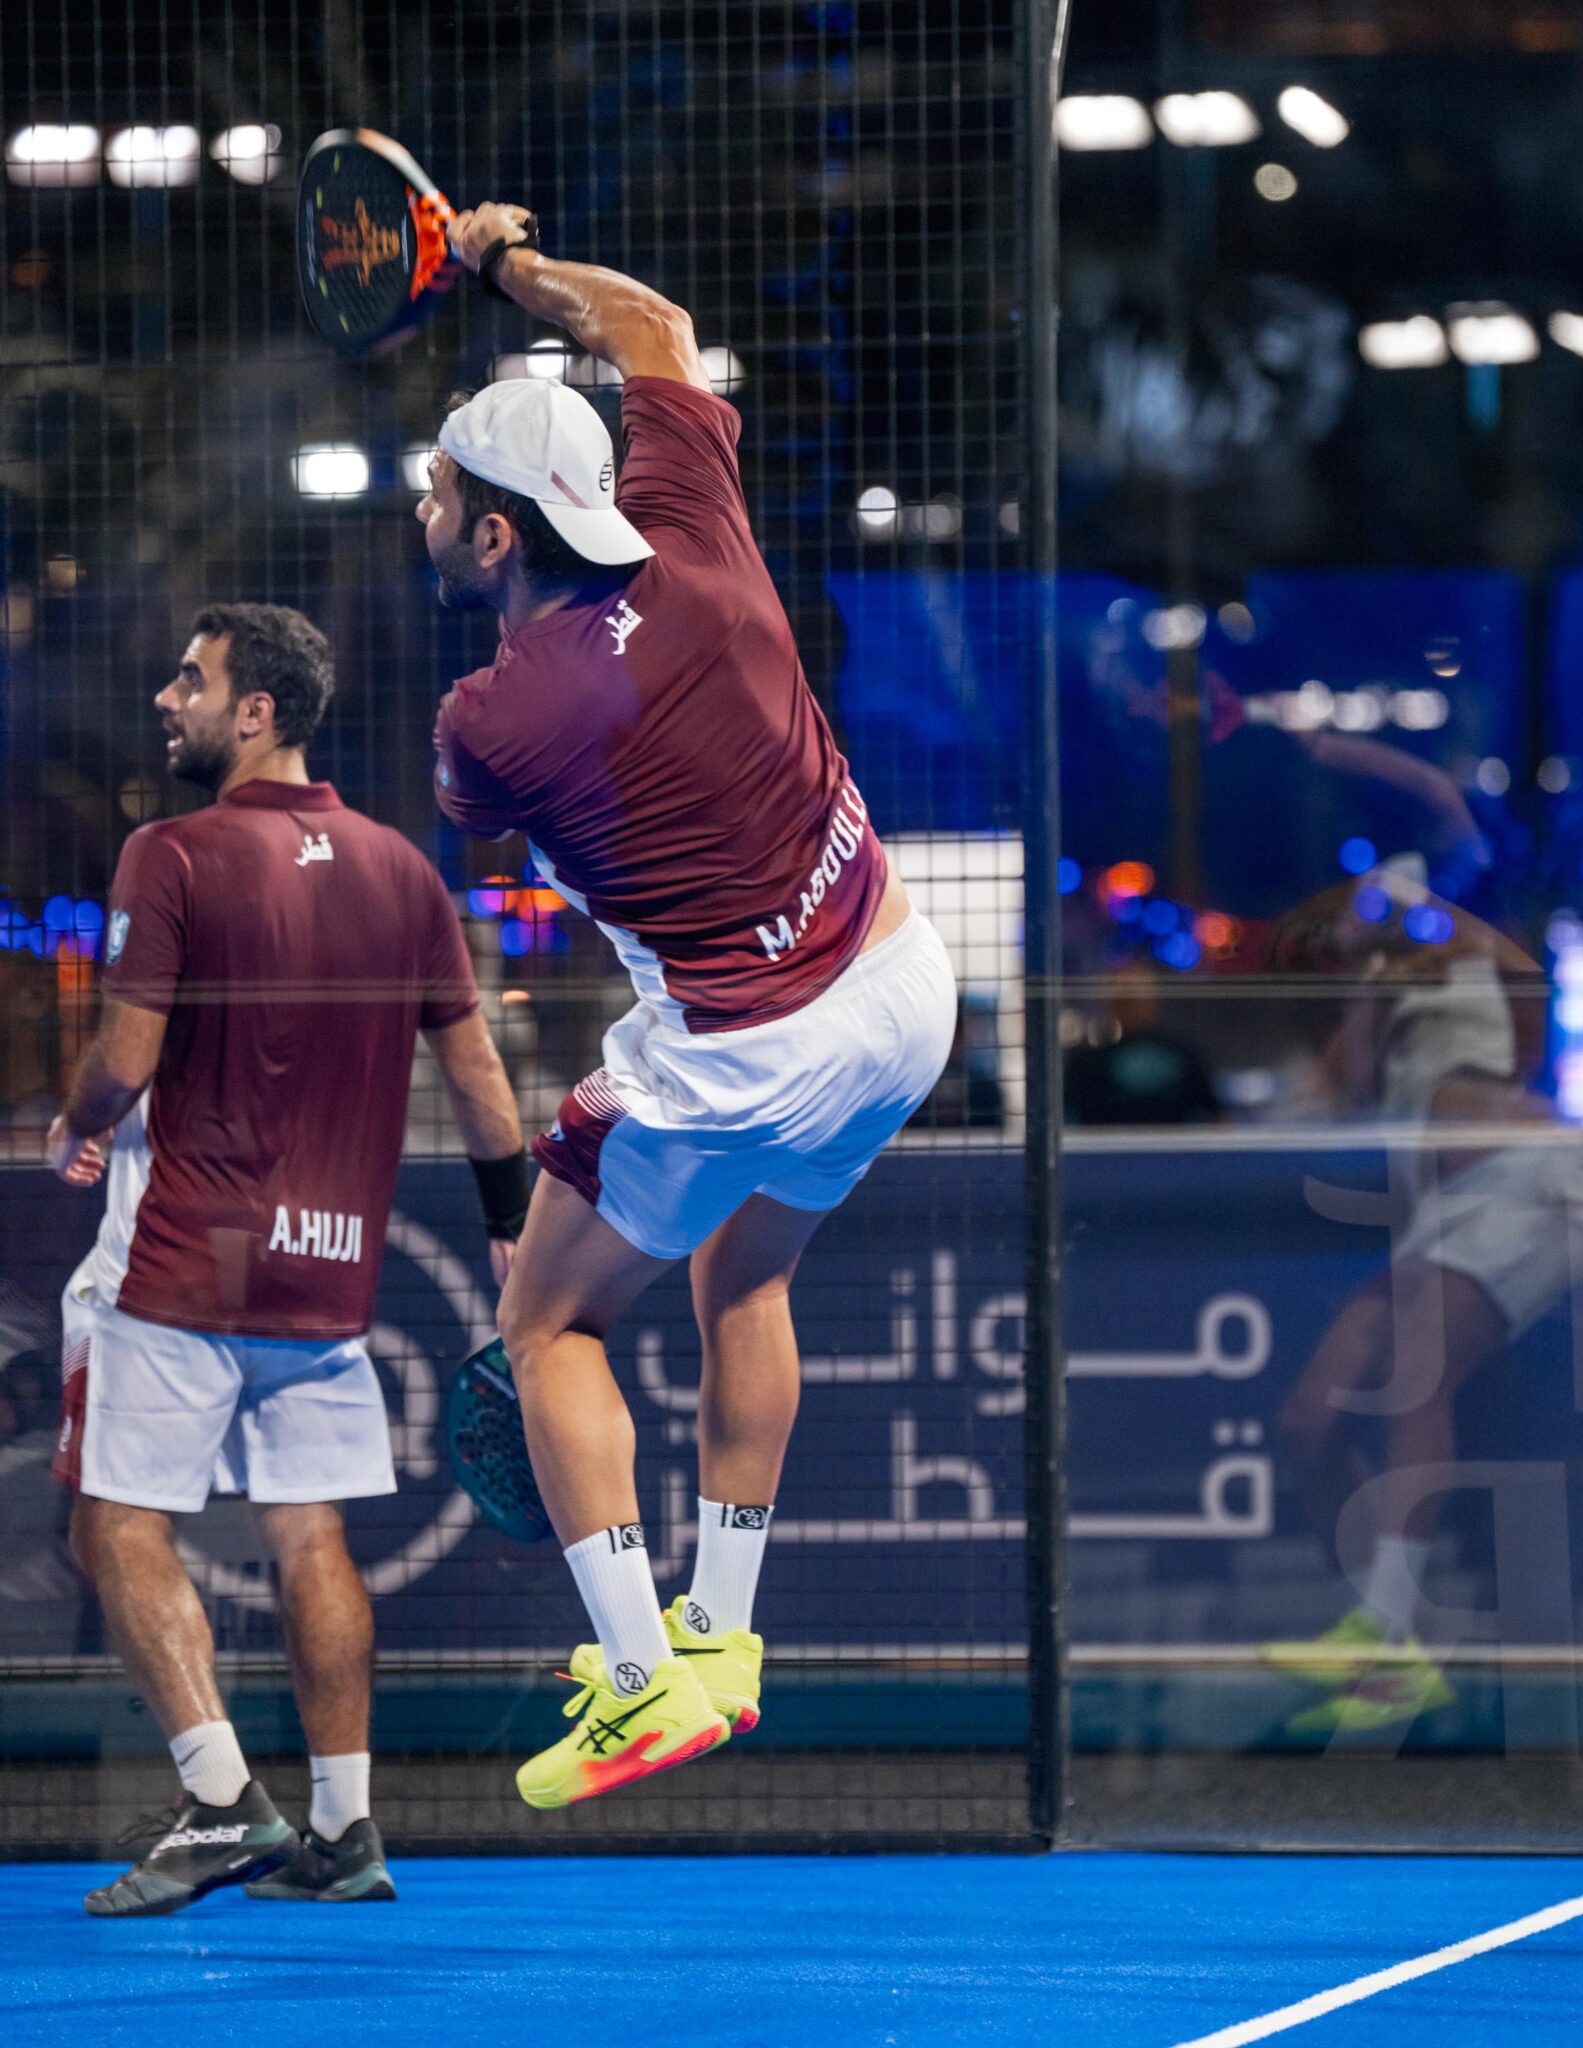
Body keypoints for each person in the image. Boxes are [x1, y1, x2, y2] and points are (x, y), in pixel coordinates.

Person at [419, 206, 957, 1807]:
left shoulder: (486, 721)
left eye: (440, 494)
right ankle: (721, 1638)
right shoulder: (697, 525)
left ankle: (639, 1678)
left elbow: (498, 820)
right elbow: (651, 327)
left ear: (497, 537)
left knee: (547, 1326)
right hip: (897, 988)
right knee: (744, 1274)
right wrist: (509, 265)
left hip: (738, 1056)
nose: (424, 511)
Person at [47, 605, 527, 1913]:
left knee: (113, 1520)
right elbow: (481, 1084)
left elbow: (125, 1062)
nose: (168, 698)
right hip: (331, 1276)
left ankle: (219, 1799)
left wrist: (75, 1125)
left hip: (184, 1263)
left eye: (190, 680)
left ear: (254, 711)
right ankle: (344, 1827)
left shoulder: (171, 852)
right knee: (310, 1530)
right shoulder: (405, 873)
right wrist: (511, 1224)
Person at [1258, 865, 1583, 1730]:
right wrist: (1367, 985)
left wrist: (1430, 917)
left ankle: (1387, 1639)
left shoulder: (1473, 962)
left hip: (1535, 1186)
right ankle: (1394, 1641)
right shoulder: (1373, 1005)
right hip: (1444, 1217)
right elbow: (1344, 1090)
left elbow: (1527, 987)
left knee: (1418, 1375)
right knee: (1311, 1419)